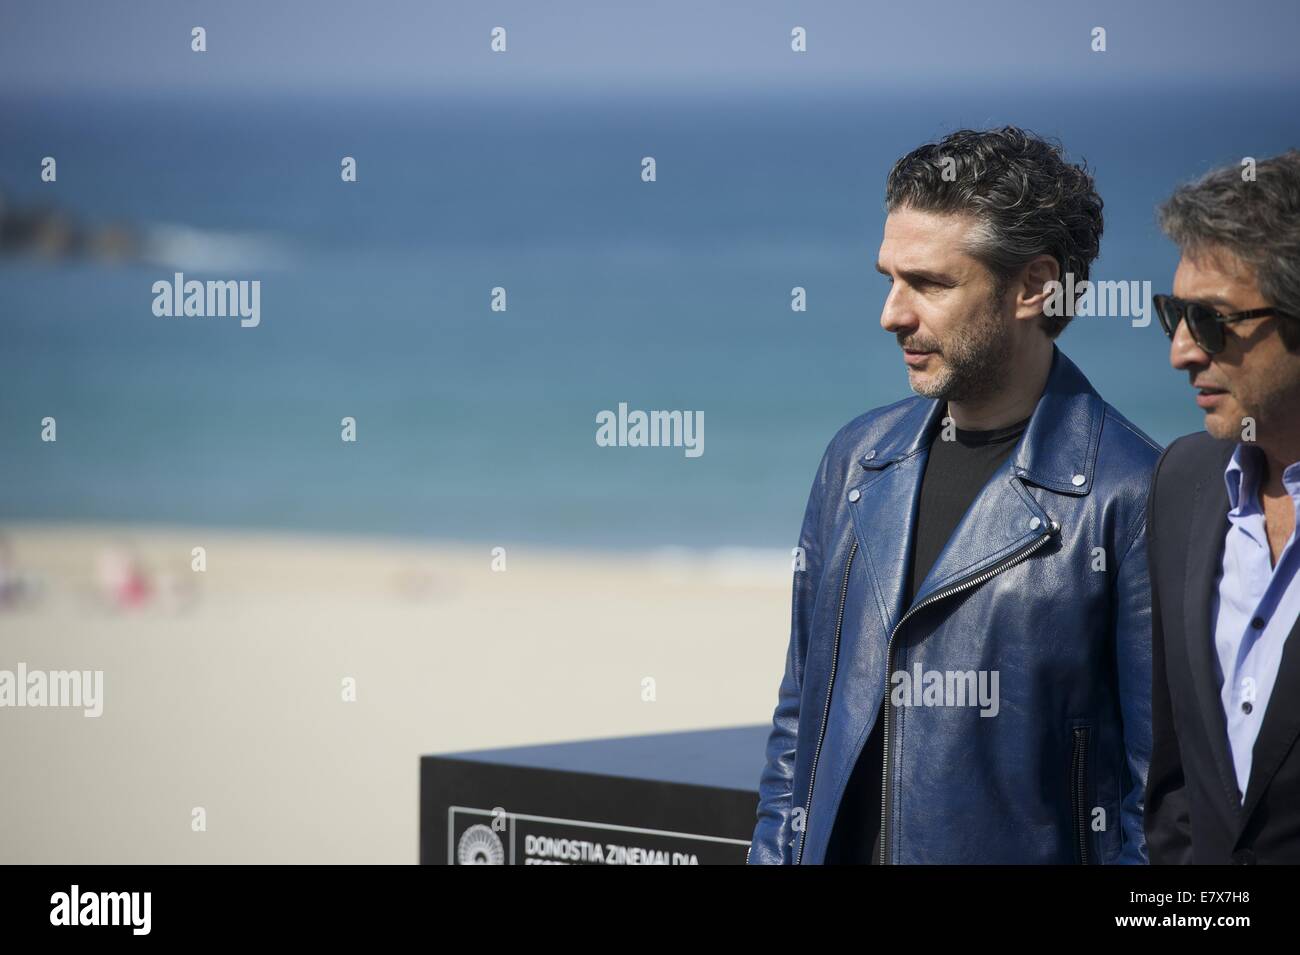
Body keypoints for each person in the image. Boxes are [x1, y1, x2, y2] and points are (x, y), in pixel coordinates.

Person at [749, 128, 1158, 864]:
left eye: (931, 284)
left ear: (1034, 286)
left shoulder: (1130, 496)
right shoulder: (856, 461)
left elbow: (1154, 803)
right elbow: (798, 725)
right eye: (889, 278)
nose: (893, 314)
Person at [1145, 150, 1300, 864]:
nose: (1181, 351)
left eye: (1211, 321)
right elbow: (1176, 780)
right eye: (1175, 314)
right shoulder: (1183, 482)